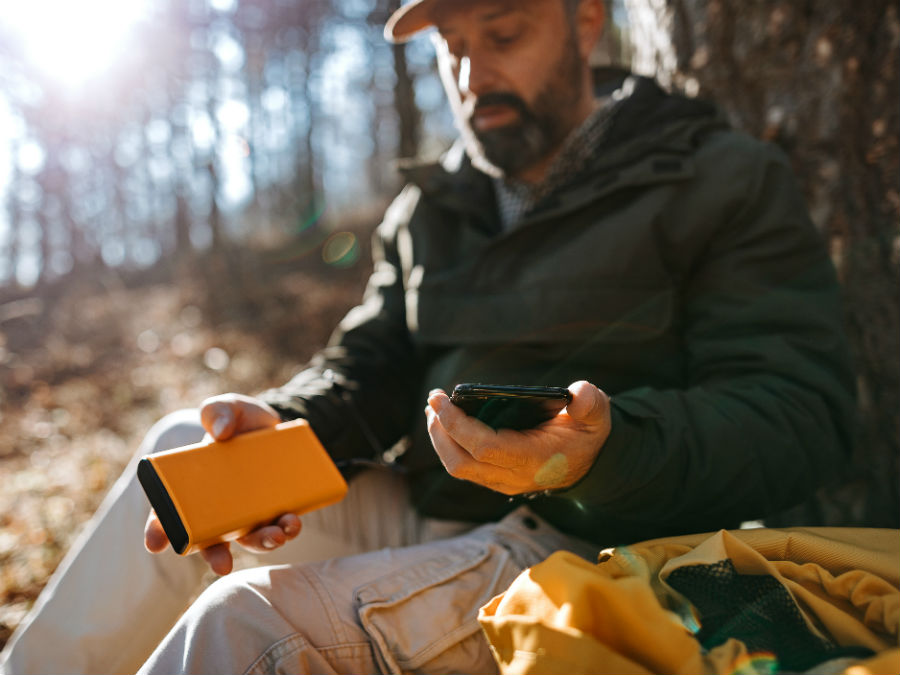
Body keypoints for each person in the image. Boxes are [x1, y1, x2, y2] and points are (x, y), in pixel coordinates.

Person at [0, 0, 857, 672]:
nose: (472, 70)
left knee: (247, 625)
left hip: (589, 548)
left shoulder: (718, 179)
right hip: (432, 508)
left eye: (505, 31)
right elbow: (366, 367)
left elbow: (800, 414)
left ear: (586, 18)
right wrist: (285, 422)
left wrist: (600, 455)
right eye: (450, 43)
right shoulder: (432, 206)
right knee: (187, 447)